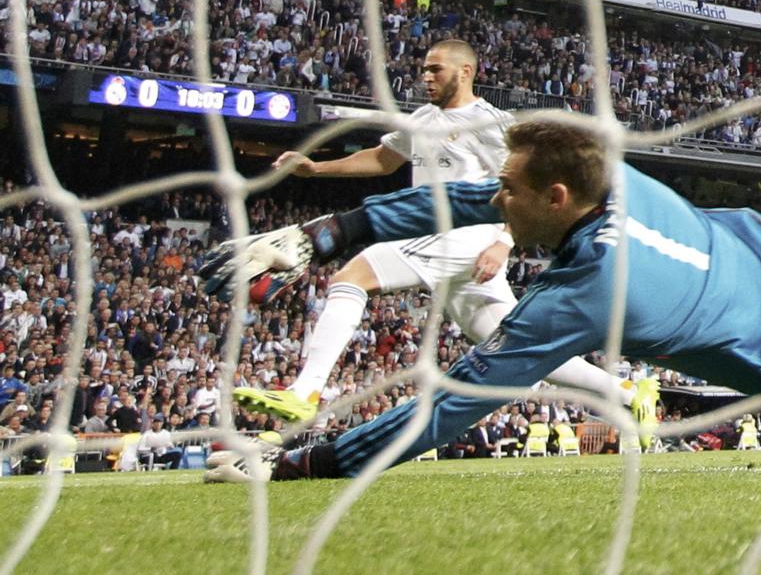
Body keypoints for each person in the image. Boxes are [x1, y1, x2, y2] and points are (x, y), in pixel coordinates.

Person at [204, 120, 761, 483]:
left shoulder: (583, 293)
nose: (496, 198)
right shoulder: (616, 176)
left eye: (510, 189)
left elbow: (448, 407)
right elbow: (463, 196)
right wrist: (321, 237)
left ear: (557, 196)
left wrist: (302, 466)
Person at [226, 39, 629, 422]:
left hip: (462, 236)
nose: (426, 77)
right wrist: (316, 167)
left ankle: (305, 392)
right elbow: (383, 160)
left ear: (465, 71)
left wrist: (504, 241)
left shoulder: (490, 123)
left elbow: (526, 187)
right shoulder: (422, 118)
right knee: (514, 345)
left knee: (352, 276)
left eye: (436, 69)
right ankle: (626, 393)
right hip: (447, 245)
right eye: (424, 70)